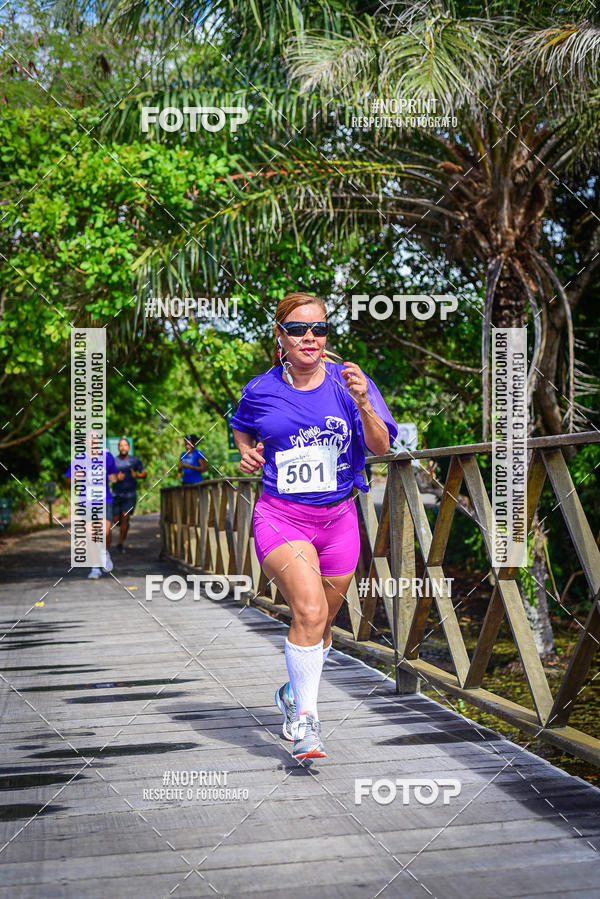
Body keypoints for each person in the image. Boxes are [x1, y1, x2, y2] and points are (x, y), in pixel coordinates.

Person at [231, 292, 398, 760]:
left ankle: (291, 692)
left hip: (340, 517)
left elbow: (381, 448)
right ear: (280, 336)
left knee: (322, 623)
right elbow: (240, 425)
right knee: (307, 612)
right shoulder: (260, 389)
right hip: (281, 515)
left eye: (319, 329)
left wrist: (364, 401)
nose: (310, 337)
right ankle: (306, 722)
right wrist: (245, 450)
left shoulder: (351, 383)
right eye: (299, 329)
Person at [65, 435, 118, 579]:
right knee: (91, 534)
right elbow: (69, 481)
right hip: (87, 501)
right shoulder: (79, 458)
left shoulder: (107, 456)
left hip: (104, 499)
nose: (93, 441)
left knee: (105, 530)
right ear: (85, 441)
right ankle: (95, 567)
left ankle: (105, 552)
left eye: (96, 438)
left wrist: (115, 478)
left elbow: (115, 475)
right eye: (90, 438)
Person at [112, 437, 147, 553]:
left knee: (125, 518)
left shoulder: (135, 461)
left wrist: (136, 475)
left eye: (125, 445)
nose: (123, 447)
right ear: (118, 447)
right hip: (116, 494)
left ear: (129, 447)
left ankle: (120, 544)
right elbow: (107, 476)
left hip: (130, 495)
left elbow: (144, 473)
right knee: (116, 520)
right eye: (121, 445)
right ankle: (124, 527)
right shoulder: (114, 461)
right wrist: (116, 478)